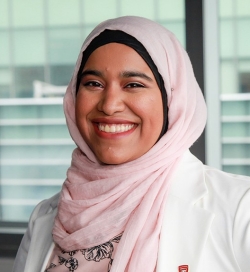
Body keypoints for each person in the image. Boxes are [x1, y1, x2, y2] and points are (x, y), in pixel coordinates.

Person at [13, 16, 250, 272]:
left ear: (172, 100)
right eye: (93, 83)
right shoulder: (45, 216)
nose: (109, 104)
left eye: (133, 85)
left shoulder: (240, 208)